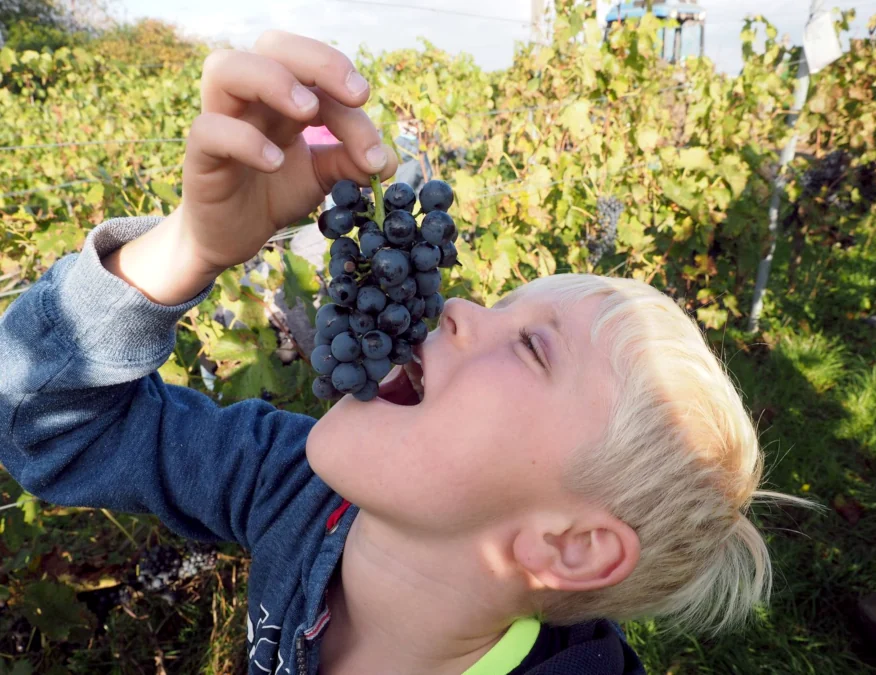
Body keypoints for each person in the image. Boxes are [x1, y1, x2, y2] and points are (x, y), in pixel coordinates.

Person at [0, 31, 805, 675]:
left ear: (568, 544)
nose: (453, 305)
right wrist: (188, 247)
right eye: (495, 305)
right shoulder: (294, 488)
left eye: (531, 347)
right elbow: (41, 419)